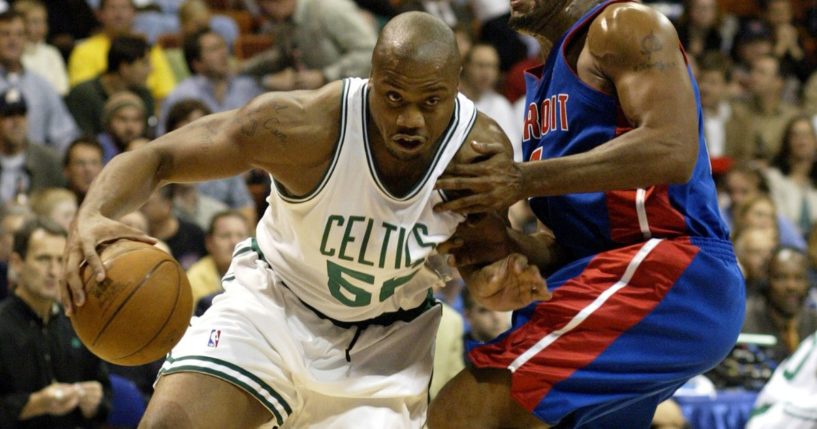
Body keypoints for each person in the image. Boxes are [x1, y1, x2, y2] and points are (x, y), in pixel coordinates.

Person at [61, 12, 517, 428]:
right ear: (371, 78)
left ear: (458, 84)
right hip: (273, 309)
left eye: (431, 100)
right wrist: (90, 215)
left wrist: (493, 280)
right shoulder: (304, 126)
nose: (409, 119)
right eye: (393, 96)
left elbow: (484, 260)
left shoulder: (479, 154)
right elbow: (158, 157)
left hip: (385, 351)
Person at [428, 1, 746, 428]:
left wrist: (522, 179)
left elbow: (674, 148)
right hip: (613, 277)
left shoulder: (623, 25)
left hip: (673, 272)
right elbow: (563, 247)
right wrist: (496, 243)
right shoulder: (542, 87)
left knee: (468, 410)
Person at [0, 218, 112, 428]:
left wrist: (96, 402)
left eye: (60, 260)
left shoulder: (77, 323)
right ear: (16, 262)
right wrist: (33, 405)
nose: (53, 271)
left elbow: (105, 393)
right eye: (43, 259)